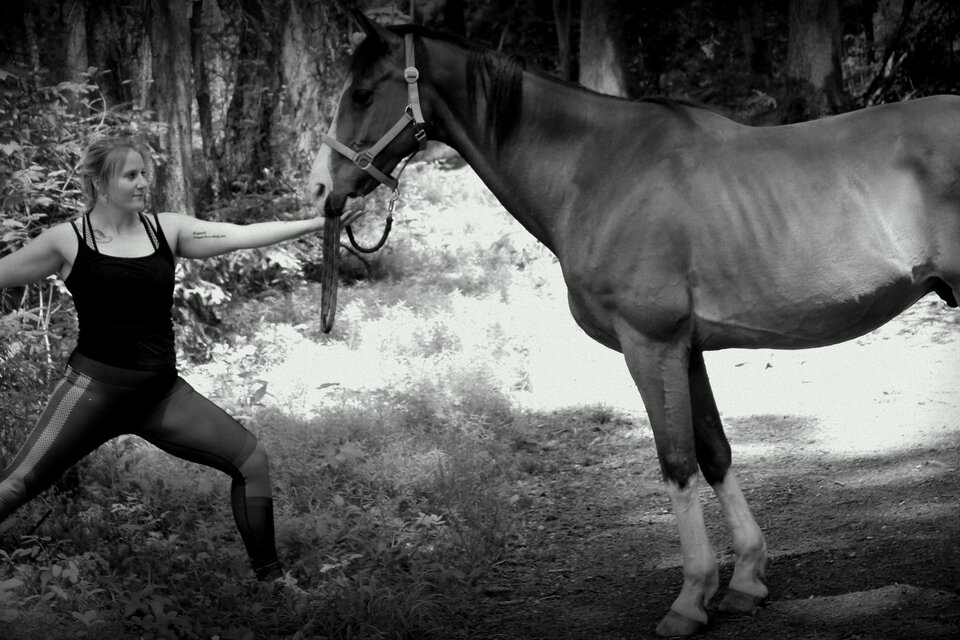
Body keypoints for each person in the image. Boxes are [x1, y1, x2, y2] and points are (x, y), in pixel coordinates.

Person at [0, 136, 324, 581]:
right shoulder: (67, 241)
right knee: (14, 486)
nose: (142, 183)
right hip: (92, 392)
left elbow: (242, 236)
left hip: (160, 394)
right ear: (99, 181)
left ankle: (273, 583)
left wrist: (315, 223)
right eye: (130, 175)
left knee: (252, 462)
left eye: (144, 173)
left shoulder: (166, 230)